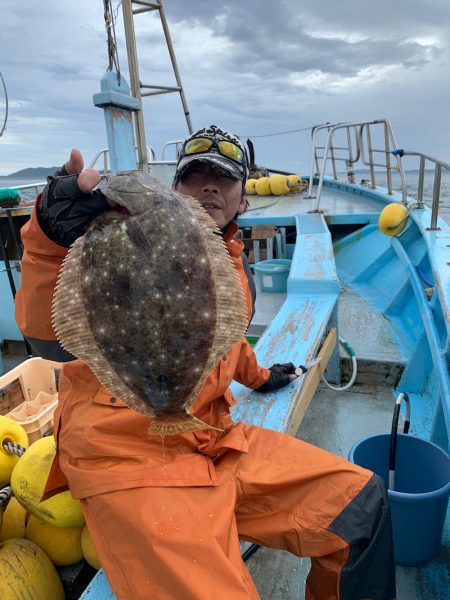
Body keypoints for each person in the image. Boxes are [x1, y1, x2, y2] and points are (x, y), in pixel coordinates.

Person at [15, 125, 396, 600]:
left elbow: (219, 344)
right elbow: (46, 338)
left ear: (242, 200)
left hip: (212, 441)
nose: (210, 187)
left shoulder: (230, 265)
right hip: (126, 458)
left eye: (224, 179)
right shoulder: (105, 236)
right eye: (195, 177)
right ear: (174, 192)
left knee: (361, 507)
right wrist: (49, 236)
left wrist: (259, 376)